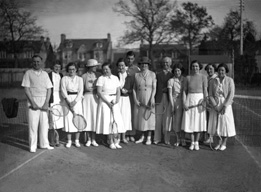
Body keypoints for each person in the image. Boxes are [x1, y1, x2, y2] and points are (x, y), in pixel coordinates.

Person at [21, 55, 54, 153]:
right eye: (34, 62)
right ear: (32, 63)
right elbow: (26, 89)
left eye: (38, 61)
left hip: (44, 101)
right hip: (33, 101)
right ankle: (33, 146)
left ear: (41, 62)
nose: (36, 63)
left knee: (44, 124)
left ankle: (44, 144)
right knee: (33, 125)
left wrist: (46, 103)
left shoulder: (45, 74)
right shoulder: (28, 73)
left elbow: (49, 89)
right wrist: (33, 103)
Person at [96, 63, 125, 149]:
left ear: (110, 69)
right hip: (105, 101)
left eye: (107, 69)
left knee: (116, 121)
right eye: (104, 69)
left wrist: (116, 100)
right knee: (107, 121)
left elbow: (118, 91)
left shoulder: (115, 78)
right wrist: (108, 103)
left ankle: (116, 141)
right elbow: (99, 92)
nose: (105, 71)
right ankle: (110, 141)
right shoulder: (101, 78)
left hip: (114, 101)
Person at [208, 63, 236, 151]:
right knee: (216, 124)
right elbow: (210, 95)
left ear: (226, 71)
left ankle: (224, 143)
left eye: (223, 70)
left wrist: (224, 106)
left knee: (224, 124)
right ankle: (218, 143)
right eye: (219, 70)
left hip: (225, 105)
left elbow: (231, 94)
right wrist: (215, 106)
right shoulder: (213, 81)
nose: (221, 72)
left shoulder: (230, 80)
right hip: (215, 105)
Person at [182, 60, 208, 151]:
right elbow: (184, 91)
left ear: (199, 67)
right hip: (190, 99)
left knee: (198, 122)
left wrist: (205, 100)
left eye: (196, 66)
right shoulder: (187, 78)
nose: (195, 68)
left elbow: (205, 90)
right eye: (193, 66)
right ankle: (192, 142)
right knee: (190, 122)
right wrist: (184, 102)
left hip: (200, 100)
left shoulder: (204, 77)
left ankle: (196, 142)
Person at [133, 57, 157, 145]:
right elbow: (134, 89)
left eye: (146, 64)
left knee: (149, 117)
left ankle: (149, 137)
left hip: (149, 97)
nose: (144, 65)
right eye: (142, 64)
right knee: (141, 117)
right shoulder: (136, 75)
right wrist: (135, 99)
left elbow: (154, 88)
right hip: (140, 97)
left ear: (148, 65)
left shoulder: (152, 74)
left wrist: (152, 98)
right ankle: (142, 136)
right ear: (140, 65)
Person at [61, 62, 84, 148]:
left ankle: (77, 140)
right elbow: (63, 90)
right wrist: (68, 101)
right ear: (68, 70)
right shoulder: (64, 78)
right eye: (70, 69)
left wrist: (75, 101)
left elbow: (81, 91)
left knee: (78, 119)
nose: (71, 71)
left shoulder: (80, 79)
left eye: (73, 69)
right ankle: (69, 141)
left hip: (77, 101)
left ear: (76, 70)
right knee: (68, 120)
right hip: (67, 100)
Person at [82, 59, 101, 147]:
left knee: (94, 117)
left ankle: (93, 139)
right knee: (87, 117)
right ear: (90, 67)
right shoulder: (83, 76)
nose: (96, 68)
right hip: (86, 98)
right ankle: (88, 139)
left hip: (95, 97)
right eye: (94, 66)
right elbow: (81, 88)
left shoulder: (98, 76)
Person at [154, 57, 173, 145]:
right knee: (158, 119)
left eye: (167, 63)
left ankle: (167, 138)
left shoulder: (173, 74)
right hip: (159, 97)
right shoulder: (157, 74)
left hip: (169, 98)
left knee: (167, 118)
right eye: (164, 62)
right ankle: (157, 138)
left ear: (170, 63)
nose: (165, 64)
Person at [167, 63, 186, 146]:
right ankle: (178, 139)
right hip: (176, 102)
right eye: (175, 71)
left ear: (181, 71)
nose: (177, 72)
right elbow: (170, 94)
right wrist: (172, 105)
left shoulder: (185, 79)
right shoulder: (171, 81)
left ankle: (183, 139)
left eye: (178, 70)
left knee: (184, 121)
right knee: (177, 122)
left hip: (185, 101)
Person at [115, 58, 133, 143]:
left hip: (126, 99)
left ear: (125, 66)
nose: (121, 67)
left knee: (125, 117)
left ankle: (124, 137)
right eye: (119, 65)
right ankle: (118, 137)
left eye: (122, 65)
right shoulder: (115, 76)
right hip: (118, 99)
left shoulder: (129, 77)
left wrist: (127, 91)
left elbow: (132, 89)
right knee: (118, 117)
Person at [124, 51, 140, 142]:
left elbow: (138, 83)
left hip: (132, 94)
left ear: (134, 59)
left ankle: (132, 133)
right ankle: (125, 133)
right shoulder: (122, 67)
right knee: (125, 113)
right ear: (126, 58)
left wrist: (131, 91)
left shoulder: (137, 69)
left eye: (131, 59)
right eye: (128, 58)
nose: (130, 60)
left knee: (132, 114)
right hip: (123, 95)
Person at [48, 60, 63, 147]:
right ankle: (52, 140)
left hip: (60, 99)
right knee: (52, 120)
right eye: (56, 66)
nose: (57, 68)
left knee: (59, 120)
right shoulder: (48, 75)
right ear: (53, 67)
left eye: (59, 67)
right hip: (52, 99)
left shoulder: (61, 75)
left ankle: (57, 139)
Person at [203, 63, 218, 144]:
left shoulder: (216, 78)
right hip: (207, 101)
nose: (209, 71)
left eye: (211, 69)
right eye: (208, 69)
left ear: (214, 69)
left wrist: (213, 102)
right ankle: (207, 136)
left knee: (213, 120)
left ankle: (212, 137)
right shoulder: (207, 78)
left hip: (214, 102)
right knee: (207, 119)